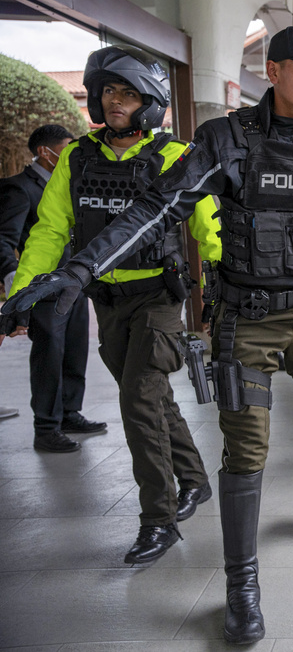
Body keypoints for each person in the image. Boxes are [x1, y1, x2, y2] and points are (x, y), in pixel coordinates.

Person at [2, 24, 293, 644]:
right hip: (249, 323)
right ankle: (242, 583)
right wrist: (76, 270)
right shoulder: (225, 140)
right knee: (247, 453)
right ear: (274, 69)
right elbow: (154, 209)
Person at [3, 46, 219, 562]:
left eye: (127, 92)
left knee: (139, 400)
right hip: (106, 302)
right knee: (151, 397)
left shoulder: (175, 157)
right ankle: (194, 479)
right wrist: (20, 293)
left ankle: (158, 518)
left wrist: (219, 294)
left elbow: (211, 230)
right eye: (107, 92)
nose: (115, 101)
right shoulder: (77, 157)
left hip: (159, 299)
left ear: (149, 101)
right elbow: (52, 230)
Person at [1, 124, 106, 453]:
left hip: (74, 285)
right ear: (46, 152)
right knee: (48, 357)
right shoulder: (19, 189)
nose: (69, 154)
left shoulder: (72, 185)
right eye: (64, 147)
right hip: (43, 290)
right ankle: (45, 427)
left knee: (75, 351)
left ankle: (70, 414)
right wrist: (17, 286)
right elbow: (3, 242)